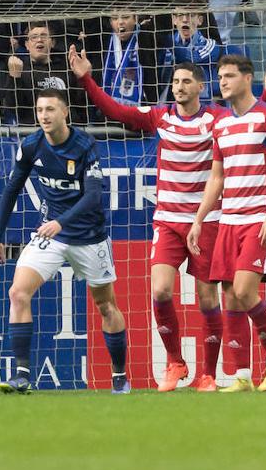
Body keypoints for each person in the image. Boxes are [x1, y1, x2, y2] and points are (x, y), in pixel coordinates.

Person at [69, 49, 227, 391]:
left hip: (206, 221)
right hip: (168, 220)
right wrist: (86, 79)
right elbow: (117, 111)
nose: (179, 87)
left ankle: (208, 374)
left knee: (207, 298)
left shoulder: (217, 119)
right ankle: (175, 362)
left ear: (200, 87)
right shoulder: (160, 116)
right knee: (160, 291)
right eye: (176, 82)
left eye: (186, 81)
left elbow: (249, 120)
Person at [0, 88, 129, 394]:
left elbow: (93, 196)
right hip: (50, 234)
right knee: (18, 293)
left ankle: (119, 376)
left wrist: (61, 221)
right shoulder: (31, 145)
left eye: (50, 109)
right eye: (40, 110)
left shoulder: (84, 145)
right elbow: (12, 189)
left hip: (89, 236)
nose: (44, 116)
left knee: (106, 306)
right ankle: (22, 375)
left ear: (65, 112)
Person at [187, 54, 266, 392]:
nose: (223, 81)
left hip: (258, 219)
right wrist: (198, 219)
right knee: (231, 297)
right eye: (220, 76)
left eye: (230, 76)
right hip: (228, 221)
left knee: (246, 291)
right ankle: (242, 376)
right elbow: (216, 177)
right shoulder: (221, 125)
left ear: (248, 79)